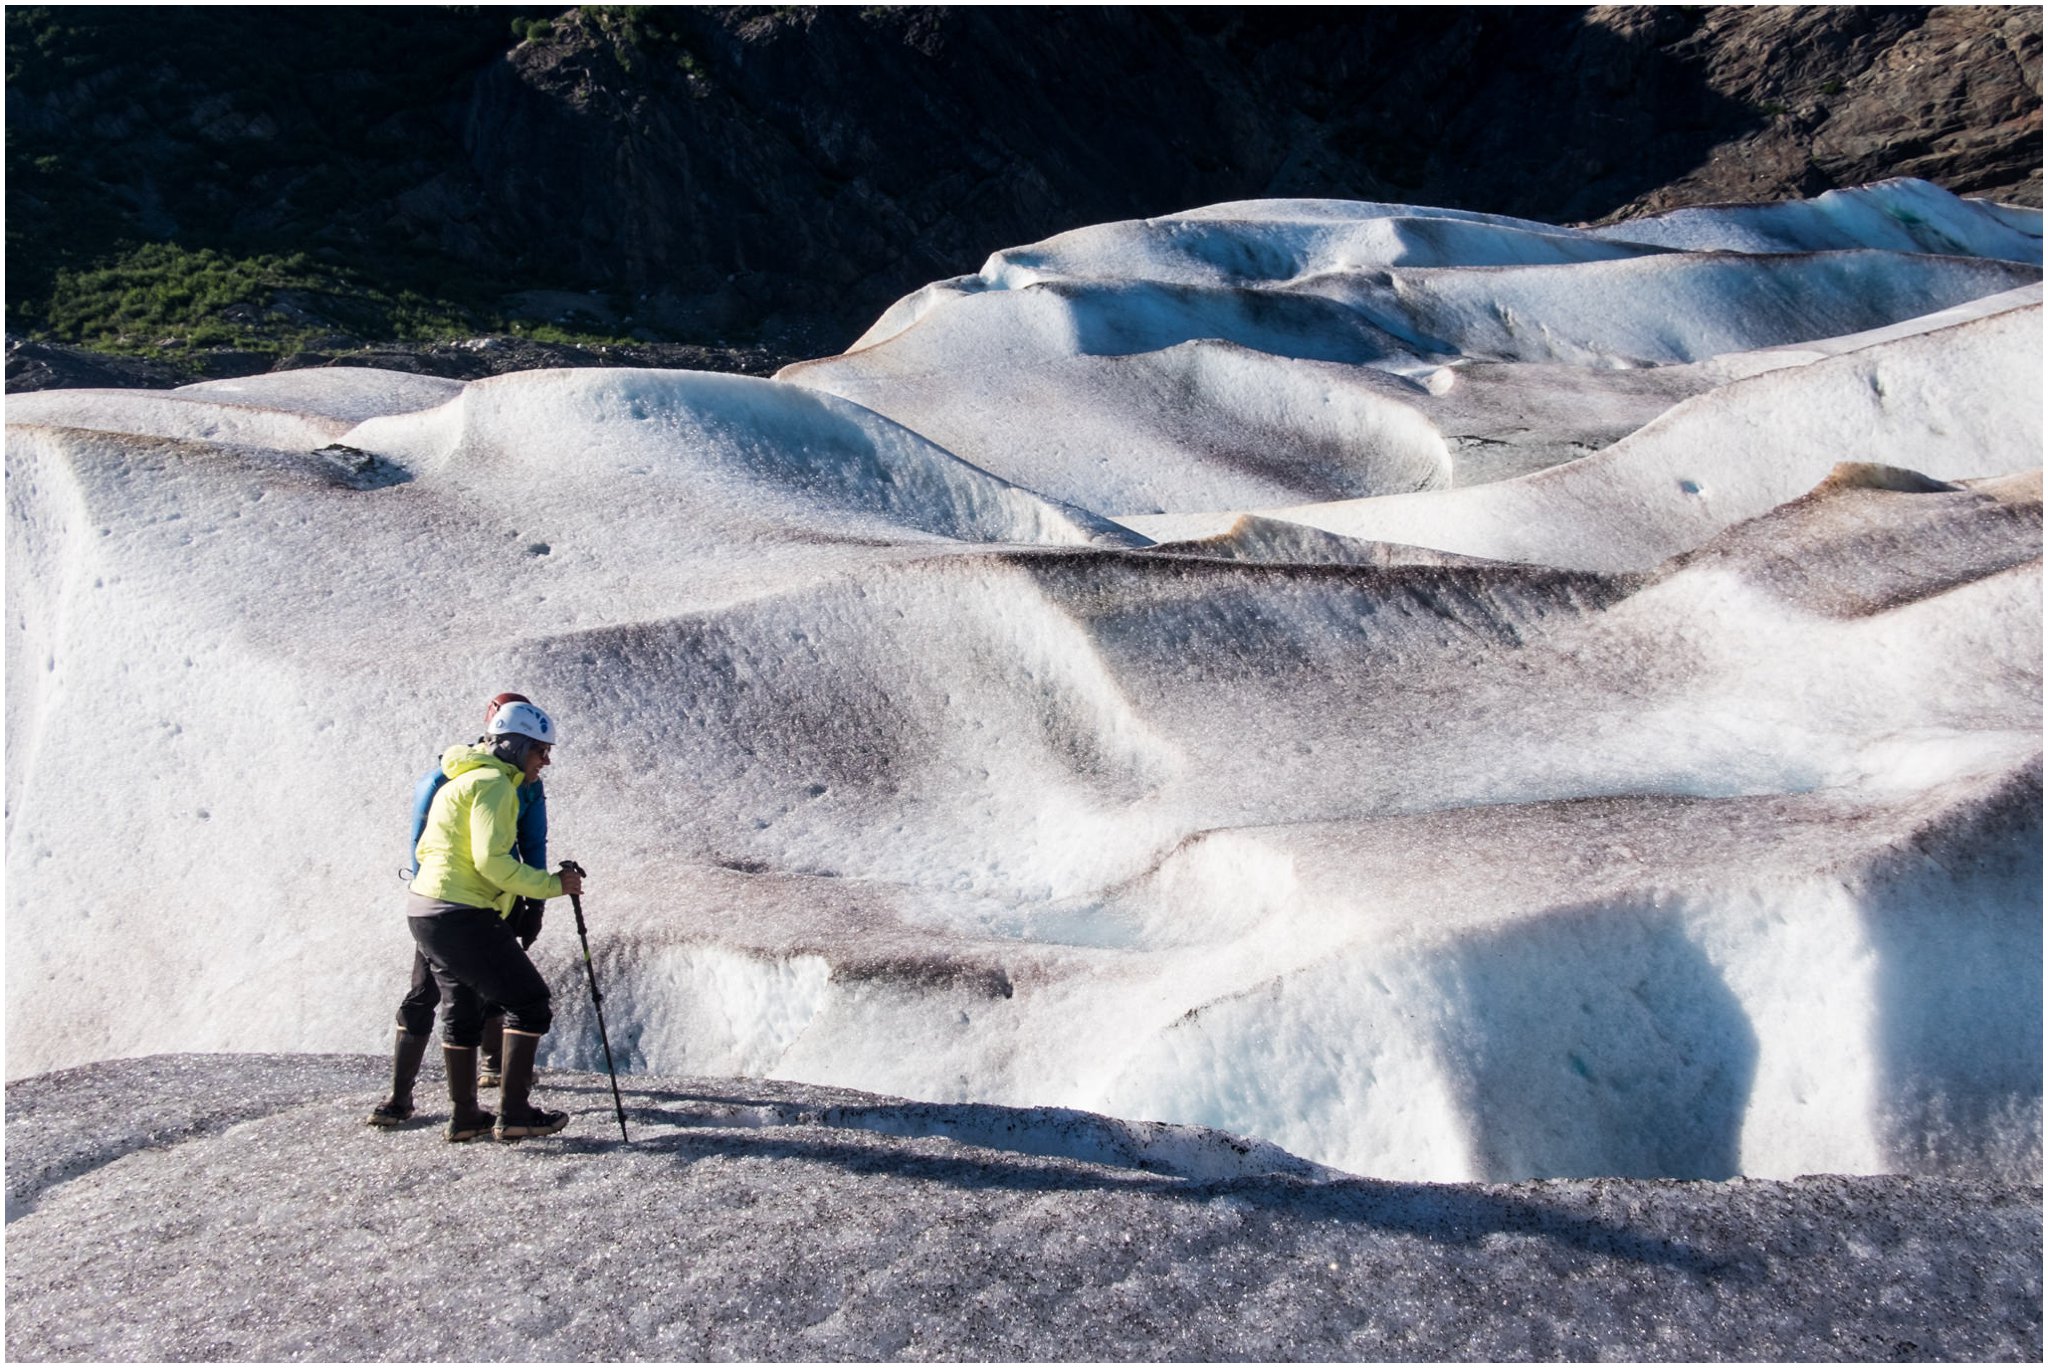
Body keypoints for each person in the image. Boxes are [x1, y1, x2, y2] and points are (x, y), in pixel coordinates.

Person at [381, 699, 582, 1141]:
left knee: (462, 1009)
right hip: (462, 912)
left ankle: (466, 1117)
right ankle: (514, 1114)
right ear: (516, 746)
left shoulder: (463, 777)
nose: (545, 761)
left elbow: (427, 846)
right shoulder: (495, 785)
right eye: (540, 751)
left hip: (427, 908)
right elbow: (492, 861)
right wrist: (551, 887)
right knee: (529, 1002)